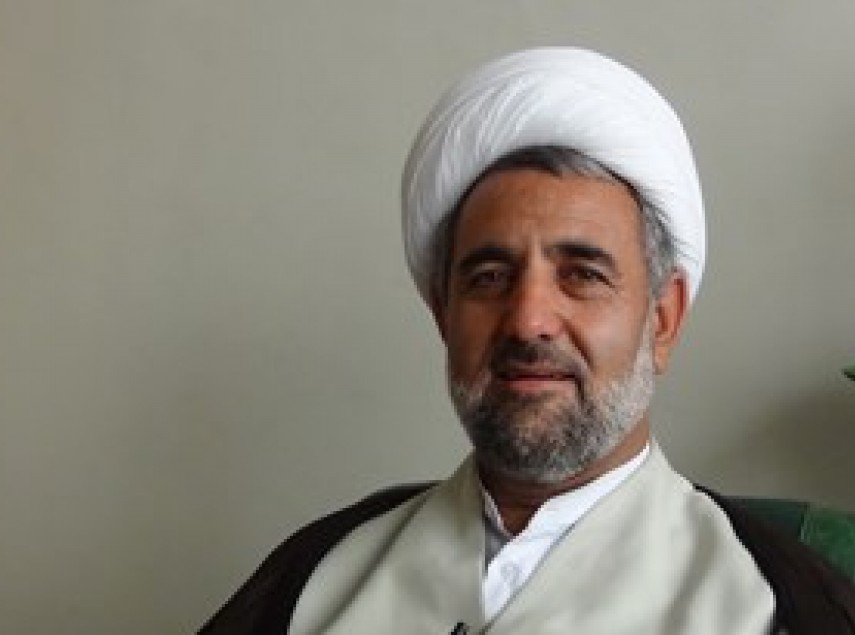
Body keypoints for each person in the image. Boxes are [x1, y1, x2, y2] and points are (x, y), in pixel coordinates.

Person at [201, 47, 855, 634]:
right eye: (489, 277)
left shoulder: (782, 606)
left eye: (582, 275)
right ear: (443, 314)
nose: (528, 319)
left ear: (662, 320)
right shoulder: (317, 576)